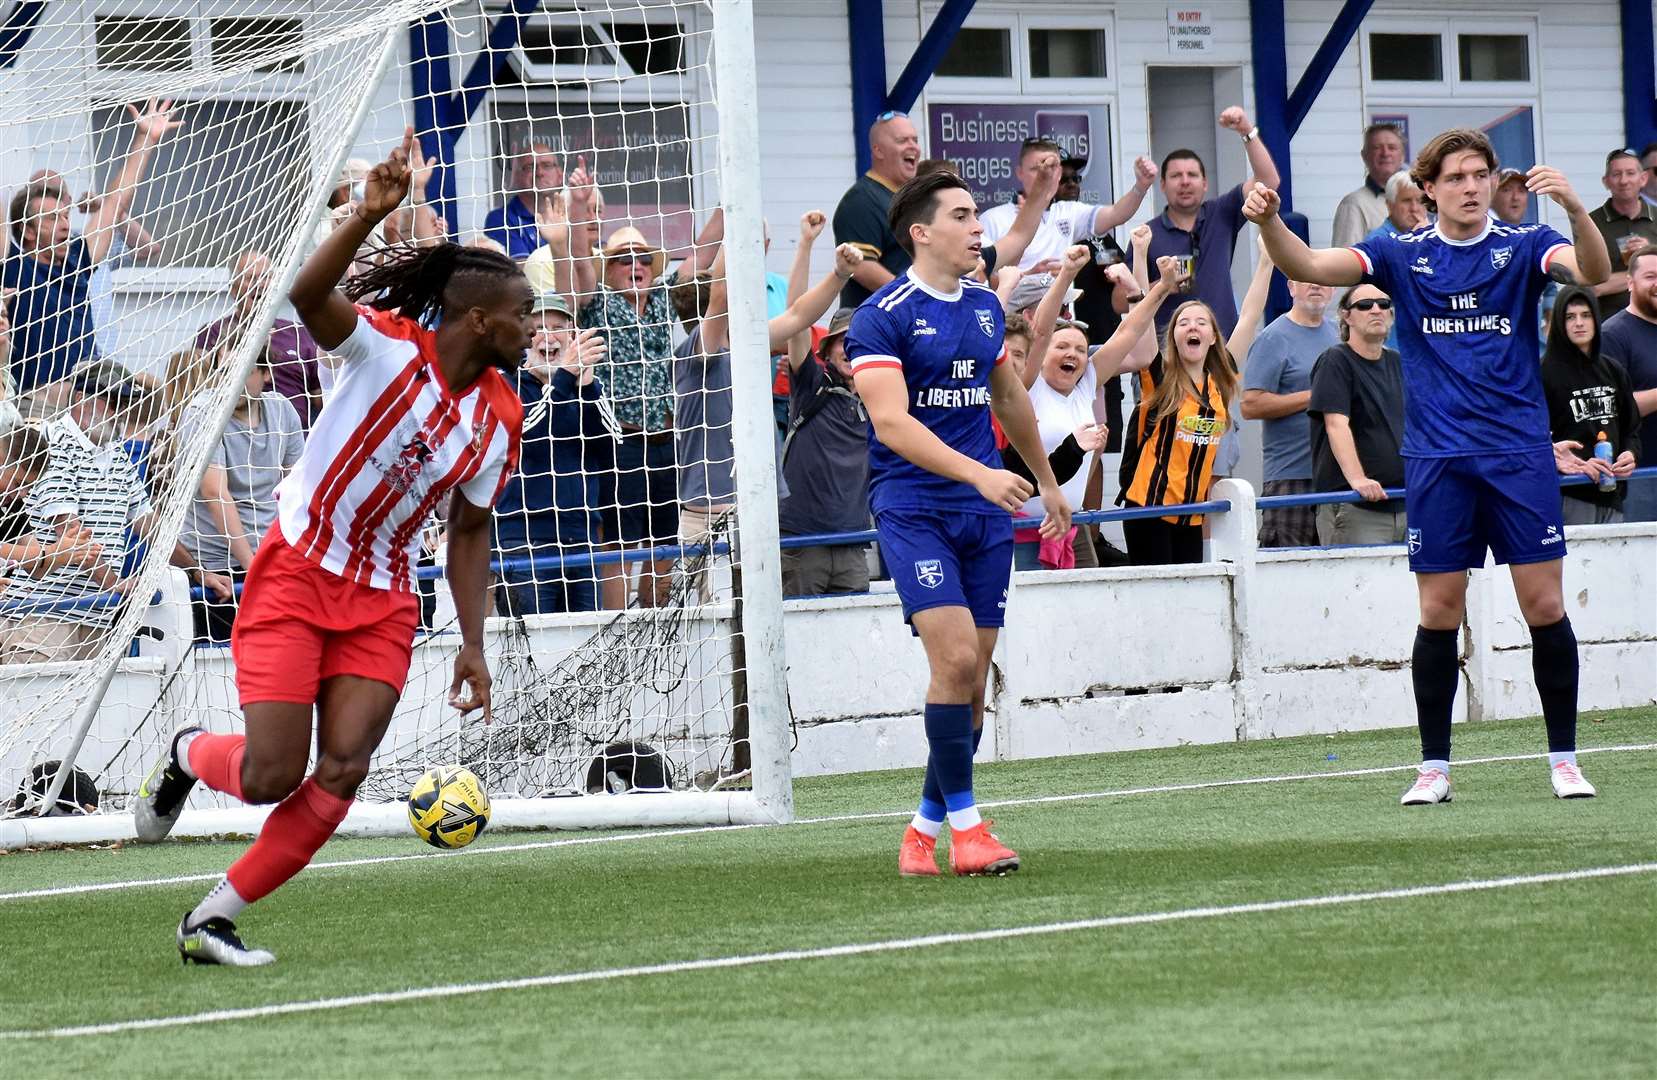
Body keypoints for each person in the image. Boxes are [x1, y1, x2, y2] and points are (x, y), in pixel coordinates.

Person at [132, 131, 529, 967]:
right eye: (525, 315)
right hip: (296, 572)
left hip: (383, 600)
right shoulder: (383, 348)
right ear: (479, 319)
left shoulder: (500, 415)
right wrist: (360, 216)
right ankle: (187, 754)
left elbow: (468, 528)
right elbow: (307, 293)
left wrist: (473, 642)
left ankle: (210, 919)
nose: (535, 328)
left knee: (343, 768)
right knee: (274, 772)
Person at [1246, 126, 1613, 804]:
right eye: (1455, 177)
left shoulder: (1524, 244)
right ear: (1428, 188)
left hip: (1515, 455)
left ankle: (1563, 758)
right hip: (1437, 460)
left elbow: (1591, 274)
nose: (1470, 187)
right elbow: (1305, 262)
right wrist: (1268, 222)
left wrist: (1575, 209)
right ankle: (1434, 767)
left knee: (1543, 604)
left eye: (1479, 175)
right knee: (1438, 611)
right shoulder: (1396, 252)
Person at [845, 171, 1069, 878]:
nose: (979, 229)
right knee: (956, 663)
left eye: (978, 217)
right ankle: (969, 833)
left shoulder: (979, 306)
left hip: (985, 512)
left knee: (970, 687)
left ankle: (921, 835)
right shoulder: (880, 315)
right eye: (964, 216)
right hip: (914, 507)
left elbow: (1007, 396)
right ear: (921, 232)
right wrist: (977, 472)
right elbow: (890, 423)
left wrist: (1048, 482)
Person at [674, 229, 861, 600]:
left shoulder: (748, 344)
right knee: (723, 638)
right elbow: (723, 295)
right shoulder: (698, 353)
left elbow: (799, 313)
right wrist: (737, 230)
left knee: (767, 628)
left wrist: (839, 273)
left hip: (758, 513)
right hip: (712, 517)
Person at [0, 360, 228, 662]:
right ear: (81, 398)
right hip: (44, 615)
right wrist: (116, 585)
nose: (122, 411)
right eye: (114, 401)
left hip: (96, 613)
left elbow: (149, 524)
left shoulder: (116, 453)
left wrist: (197, 572)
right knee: (34, 705)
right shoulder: (52, 442)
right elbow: (70, 533)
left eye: (126, 401)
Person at [1010, 246, 1179, 570]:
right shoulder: (1028, 385)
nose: (1071, 353)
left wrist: (1161, 288)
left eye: (1079, 349)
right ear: (1040, 354)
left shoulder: (1086, 380)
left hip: (1073, 528)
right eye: (1062, 347)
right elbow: (1043, 330)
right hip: (1025, 532)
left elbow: (1129, 333)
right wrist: (1067, 274)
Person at [4, 100, 181, 409]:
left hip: (90, 395)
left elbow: (113, 205)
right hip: (38, 401)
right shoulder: (13, 268)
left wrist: (146, 140)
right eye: (51, 219)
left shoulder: (76, 259)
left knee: (153, 396)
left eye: (65, 216)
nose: (64, 224)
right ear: (28, 231)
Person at [493, 293, 611, 616]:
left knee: (590, 653)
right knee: (529, 653)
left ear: (573, 336)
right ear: (526, 337)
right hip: (525, 542)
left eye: (558, 327)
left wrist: (586, 387)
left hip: (582, 539)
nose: (548, 336)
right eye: (539, 327)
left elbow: (612, 445)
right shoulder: (505, 384)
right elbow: (526, 435)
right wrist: (564, 379)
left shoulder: (585, 387)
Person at [178, 354, 305, 643]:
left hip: (269, 560)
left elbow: (299, 486)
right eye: (224, 372)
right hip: (215, 571)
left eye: (244, 371)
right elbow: (215, 493)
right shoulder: (202, 412)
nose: (232, 382)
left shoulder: (282, 410)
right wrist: (255, 568)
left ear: (265, 374)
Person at [1115, 300, 1239, 564]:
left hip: (1191, 514)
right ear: (1173, 337)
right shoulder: (1161, 377)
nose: (1192, 326)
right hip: (1149, 512)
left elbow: (1250, 316)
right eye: (1183, 323)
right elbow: (1142, 328)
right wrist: (1138, 290)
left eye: (1201, 322)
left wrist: (1265, 264)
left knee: (1190, 599)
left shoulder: (1219, 385)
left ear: (1213, 337)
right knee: (1157, 600)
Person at [1139, 106, 1281, 336]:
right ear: (1162, 185)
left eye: (1192, 175)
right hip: (1166, 354)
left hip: (1220, 347)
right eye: (1176, 176)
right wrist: (1163, 286)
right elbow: (1120, 300)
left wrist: (1246, 130)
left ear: (1205, 183)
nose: (1185, 182)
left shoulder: (1222, 212)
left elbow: (1269, 181)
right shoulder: (1146, 235)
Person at [778, 308, 871, 596]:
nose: (852, 347)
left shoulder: (881, 398)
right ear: (827, 351)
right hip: (803, 543)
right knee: (798, 638)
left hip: (854, 544)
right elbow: (797, 315)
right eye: (844, 340)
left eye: (861, 340)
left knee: (856, 638)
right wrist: (808, 260)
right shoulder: (811, 384)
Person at [1307, 285, 1408, 545]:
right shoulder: (1335, 360)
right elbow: (1336, 424)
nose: (1376, 309)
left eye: (1383, 304)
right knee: (1352, 585)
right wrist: (1358, 479)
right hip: (1355, 505)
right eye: (1364, 305)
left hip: (1406, 502)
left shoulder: (1399, 362)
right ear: (1346, 316)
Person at [1241, 279, 1339, 547]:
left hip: (1338, 476)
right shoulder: (1273, 337)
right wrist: (1315, 396)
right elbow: (1250, 405)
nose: (1316, 286)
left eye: (1323, 281)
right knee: (1287, 574)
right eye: (1305, 280)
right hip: (1291, 477)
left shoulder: (1339, 333)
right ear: (1291, 287)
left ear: (1332, 288)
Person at [1541, 286, 1641, 524]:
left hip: (1613, 493)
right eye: (1570, 317)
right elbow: (1535, 436)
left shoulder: (1613, 370)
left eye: (1586, 315)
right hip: (1569, 493)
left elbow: (1632, 428)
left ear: (1596, 319)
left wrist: (1630, 454)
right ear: (1558, 322)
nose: (1579, 323)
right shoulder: (1543, 373)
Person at [979, 138, 1155, 271]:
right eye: (1036, 169)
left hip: (1062, 317)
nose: (1044, 175)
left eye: (1051, 169)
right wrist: (1028, 277)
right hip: (1014, 318)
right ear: (1019, 173)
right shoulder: (992, 219)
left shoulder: (1068, 212)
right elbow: (980, 277)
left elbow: (1117, 214)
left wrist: (1141, 186)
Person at [195, 250, 327, 428]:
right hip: (234, 440)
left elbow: (321, 398)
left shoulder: (299, 333)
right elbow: (197, 389)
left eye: (266, 277)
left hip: (294, 443)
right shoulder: (214, 333)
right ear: (233, 288)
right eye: (250, 278)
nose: (260, 284)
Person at [832, 112, 920, 307]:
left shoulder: (910, 198)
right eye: (902, 140)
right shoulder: (861, 200)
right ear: (878, 150)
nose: (913, 146)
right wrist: (914, 299)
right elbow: (861, 267)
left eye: (915, 139)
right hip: (876, 324)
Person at [1598, 248, 1657, 522]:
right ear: (1630, 283)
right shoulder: (1613, 334)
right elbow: (1611, 410)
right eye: (1650, 277)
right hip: (1640, 477)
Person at [1588, 148, 1657, 316]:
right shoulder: (1591, 223)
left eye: (1630, 173)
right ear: (1606, 182)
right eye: (1617, 174)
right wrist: (1647, 270)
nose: (1624, 181)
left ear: (1643, 179)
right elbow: (1591, 287)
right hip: (1609, 325)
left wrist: (1650, 254)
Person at [484, 141, 564, 260]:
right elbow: (523, 272)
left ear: (560, 175)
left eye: (547, 165)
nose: (539, 173)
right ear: (516, 177)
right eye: (530, 167)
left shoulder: (573, 214)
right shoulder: (501, 220)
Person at [1331, 123, 1407, 247]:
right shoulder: (1354, 204)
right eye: (1377, 147)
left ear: (1402, 156)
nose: (1385, 153)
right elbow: (1344, 260)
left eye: (1392, 147)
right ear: (1364, 156)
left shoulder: (1419, 200)